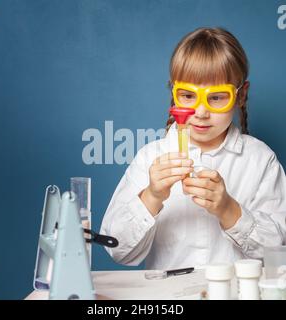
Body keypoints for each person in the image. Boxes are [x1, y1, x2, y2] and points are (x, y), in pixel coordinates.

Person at [100, 27, 286, 270]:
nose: (200, 112)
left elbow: (278, 253)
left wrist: (229, 209)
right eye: (188, 96)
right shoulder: (150, 158)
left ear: (241, 96)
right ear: (175, 94)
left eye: (217, 97)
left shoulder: (260, 160)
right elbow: (118, 250)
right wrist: (152, 196)